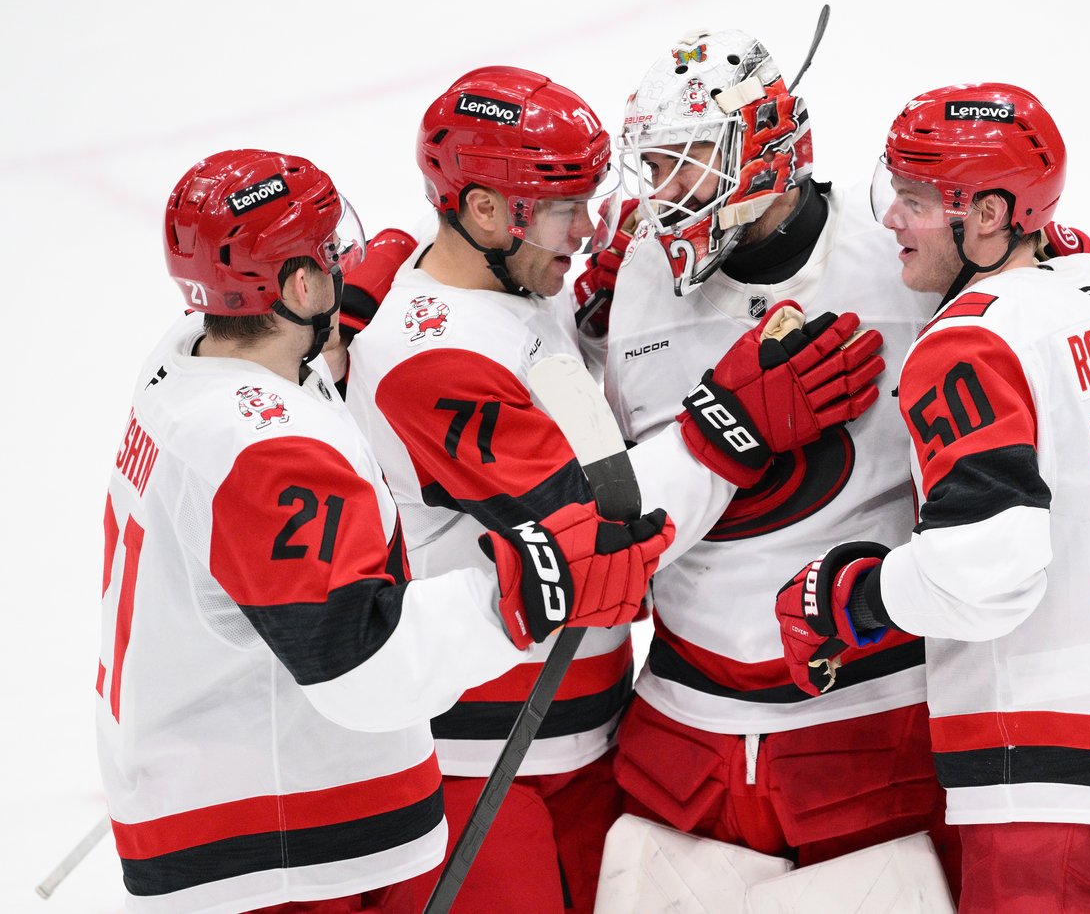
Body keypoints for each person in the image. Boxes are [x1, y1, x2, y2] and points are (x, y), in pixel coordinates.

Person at [342, 66, 881, 913]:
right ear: (485, 210)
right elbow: (596, 539)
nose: (592, 229)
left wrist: (592, 326)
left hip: (584, 746)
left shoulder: (503, 279)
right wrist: (729, 423)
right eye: (567, 208)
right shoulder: (430, 360)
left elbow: (553, 394)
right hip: (482, 770)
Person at [96, 148, 674, 914]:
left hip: (232, 796)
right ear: (298, 287)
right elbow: (362, 664)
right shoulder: (270, 454)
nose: (350, 261)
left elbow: (287, 373)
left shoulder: (185, 363)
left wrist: (350, 308)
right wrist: (529, 587)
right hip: (276, 850)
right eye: (331, 255)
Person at [775, 83, 1090, 912]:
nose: (891, 220)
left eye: (917, 201)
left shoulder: (970, 338)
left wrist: (854, 597)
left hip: (1053, 777)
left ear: (989, 214)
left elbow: (985, 569)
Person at [592, 27, 966, 888]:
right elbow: (610, 492)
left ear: (762, 151)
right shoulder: (636, 278)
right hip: (680, 741)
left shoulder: (903, 267)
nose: (660, 195)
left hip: (871, 731)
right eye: (652, 167)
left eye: (683, 163)